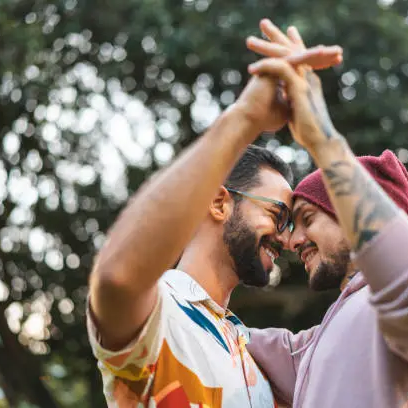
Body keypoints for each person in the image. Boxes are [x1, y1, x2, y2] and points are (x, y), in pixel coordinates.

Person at [244, 21, 408, 408]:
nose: (291, 241)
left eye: (308, 219)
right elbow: (255, 343)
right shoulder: (318, 344)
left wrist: (322, 141)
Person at [85, 41, 343, 406]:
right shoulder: (162, 313)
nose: (288, 242)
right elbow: (116, 279)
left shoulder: (257, 356)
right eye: (277, 216)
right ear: (220, 202)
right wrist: (245, 118)